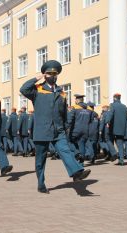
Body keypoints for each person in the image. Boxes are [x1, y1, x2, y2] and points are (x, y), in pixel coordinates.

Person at [20, 60, 91, 194]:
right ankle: (41, 184)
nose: (52, 76)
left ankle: (76, 173)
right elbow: (23, 89)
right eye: (49, 74)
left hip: (58, 130)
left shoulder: (62, 93)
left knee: (65, 151)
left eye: (55, 74)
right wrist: (36, 78)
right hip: (42, 130)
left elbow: (63, 113)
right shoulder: (37, 90)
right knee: (40, 159)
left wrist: (65, 127)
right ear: (45, 75)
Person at [68, 94, 92, 165]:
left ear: (77, 100)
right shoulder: (89, 109)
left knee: (69, 141)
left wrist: (67, 127)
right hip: (85, 130)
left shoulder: (74, 108)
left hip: (76, 129)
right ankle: (81, 163)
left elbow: (70, 119)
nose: (75, 101)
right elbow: (91, 120)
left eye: (75, 99)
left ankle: (77, 153)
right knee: (82, 144)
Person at [106, 93, 127, 165]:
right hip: (122, 128)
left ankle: (114, 153)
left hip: (113, 127)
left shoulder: (112, 105)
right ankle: (121, 160)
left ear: (114, 98)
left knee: (108, 139)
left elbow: (110, 114)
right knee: (120, 143)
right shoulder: (124, 106)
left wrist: (107, 122)